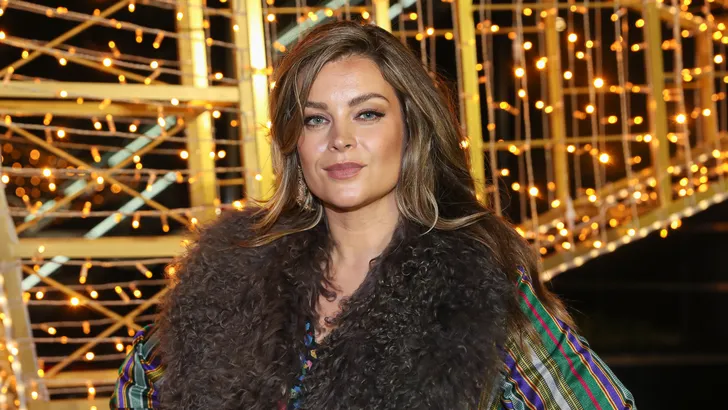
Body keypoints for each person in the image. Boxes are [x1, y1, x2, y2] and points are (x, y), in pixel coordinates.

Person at [111, 20, 636, 410]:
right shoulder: (235, 268)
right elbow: (139, 385)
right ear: (294, 143)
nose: (341, 139)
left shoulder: (474, 280)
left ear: (412, 129)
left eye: (367, 113)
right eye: (316, 119)